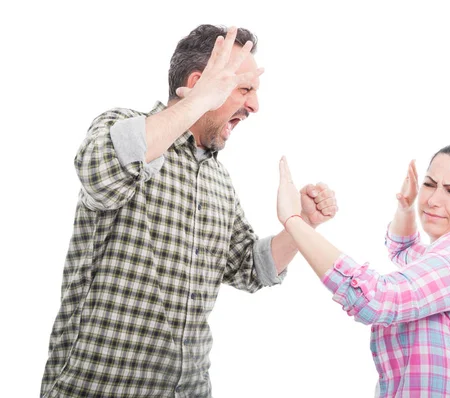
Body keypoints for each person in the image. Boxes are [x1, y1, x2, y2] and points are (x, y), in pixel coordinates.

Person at [40, 25, 338, 398]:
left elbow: (248, 268)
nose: (255, 106)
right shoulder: (121, 127)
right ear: (200, 83)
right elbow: (100, 172)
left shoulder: (219, 180)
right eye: (244, 89)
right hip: (98, 387)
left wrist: (301, 225)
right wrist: (197, 101)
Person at [277, 142, 450, 397]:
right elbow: (403, 250)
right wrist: (406, 206)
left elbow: (377, 298)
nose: (433, 200)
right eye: (429, 184)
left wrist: (294, 222)